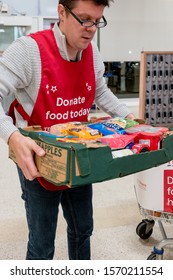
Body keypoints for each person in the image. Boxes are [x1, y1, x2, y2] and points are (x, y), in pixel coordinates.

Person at [0, 0, 135, 260]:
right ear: (61, 12)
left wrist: (130, 118)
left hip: (78, 154)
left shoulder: (91, 51)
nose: (91, 28)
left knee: (83, 229)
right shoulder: (29, 50)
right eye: (84, 19)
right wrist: (13, 136)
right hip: (39, 160)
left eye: (97, 21)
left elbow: (100, 91)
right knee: (42, 245)